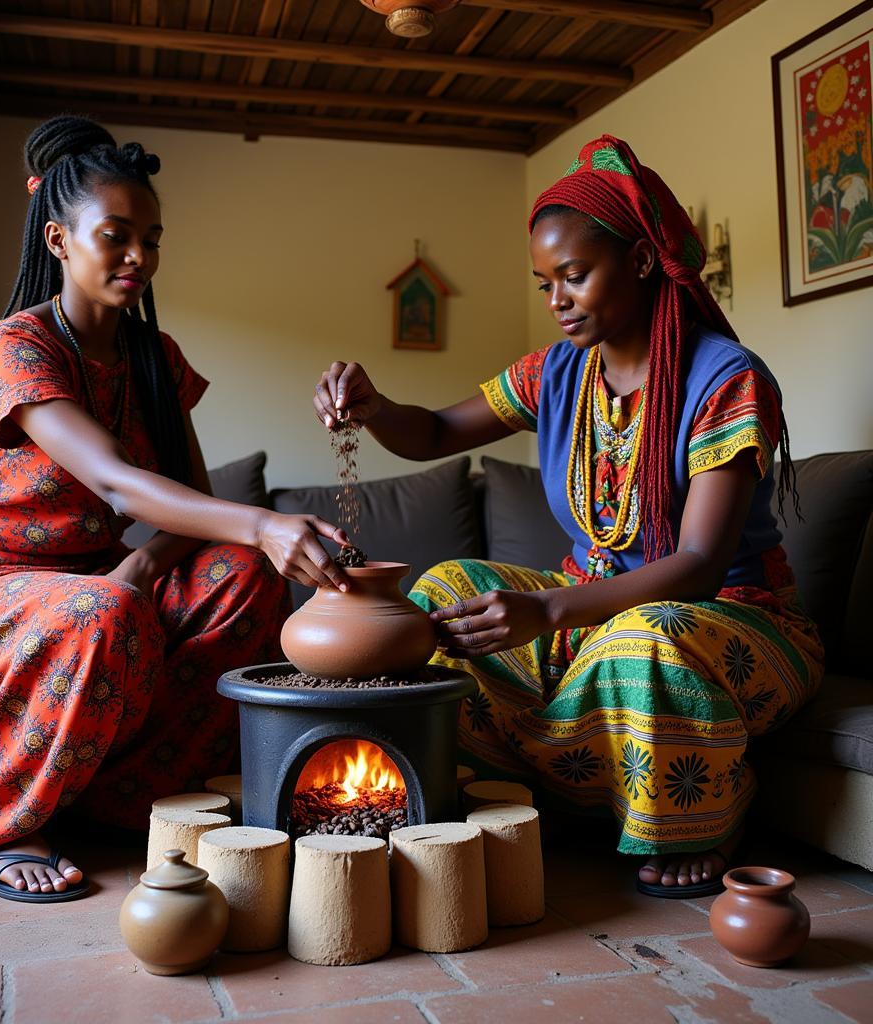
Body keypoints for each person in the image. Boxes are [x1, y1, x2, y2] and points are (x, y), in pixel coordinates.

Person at [314, 135, 824, 898]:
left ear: (644, 262)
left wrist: (549, 608)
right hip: (591, 612)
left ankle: (701, 818)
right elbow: (434, 434)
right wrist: (375, 405)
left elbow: (701, 565)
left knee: (643, 642)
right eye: (545, 280)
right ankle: (499, 798)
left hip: (726, 620)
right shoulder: (554, 372)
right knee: (443, 589)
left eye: (574, 275)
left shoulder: (726, 379)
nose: (555, 298)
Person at [0, 116, 350, 903]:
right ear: (60, 239)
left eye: (153, 238)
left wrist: (145, 563)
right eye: (118, 236)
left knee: (242, 577)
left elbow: (192, 506)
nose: (141, 257)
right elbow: (117, 484)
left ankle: (119, 801)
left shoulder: (156, 359)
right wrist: (266, 525)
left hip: (91, 588)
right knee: (108, 612)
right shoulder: (17, 347)